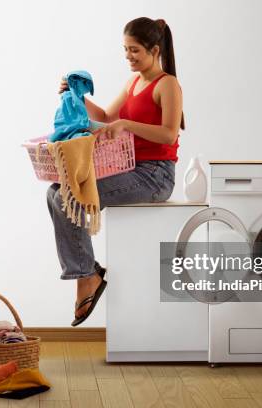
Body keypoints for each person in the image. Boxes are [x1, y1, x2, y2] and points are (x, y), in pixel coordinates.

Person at [46, 17, 184, 326]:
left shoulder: (168, 85)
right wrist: (77, 97)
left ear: (155, 49)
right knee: (55, 192)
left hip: (156, 176)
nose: (129, 57)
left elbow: (169, 134)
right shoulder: (133, 83)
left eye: (135, 50)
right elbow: (108, 116)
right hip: (132, 168)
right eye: (125, 51)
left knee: (68, 196)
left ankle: (87, 278)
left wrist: (127, 125)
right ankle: (88, 272)